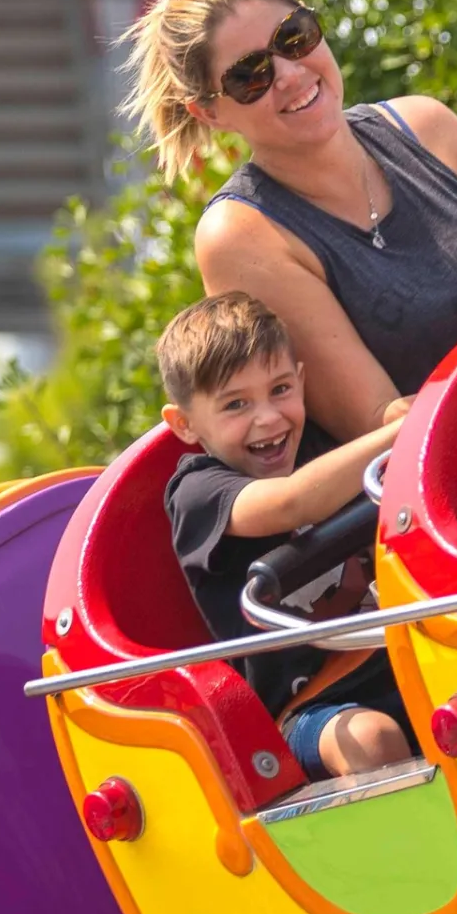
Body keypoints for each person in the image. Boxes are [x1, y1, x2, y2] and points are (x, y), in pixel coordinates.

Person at [121, 0, 457, 443]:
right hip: (450, 473)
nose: (290, 74)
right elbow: (381, 423)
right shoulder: (240, 235)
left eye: (294, 37)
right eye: (249, 76)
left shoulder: (425, 126)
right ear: (210, 112)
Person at [160, 293, 412, 780]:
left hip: (402, 657)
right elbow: (292, 502)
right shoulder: (198, 491)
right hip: (314, 706)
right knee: (371, 739)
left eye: (280, 390)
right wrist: (401, 431)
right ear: (185, 424)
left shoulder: (325, 443)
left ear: (302, 381)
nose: (269, 418)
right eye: (236, 404)